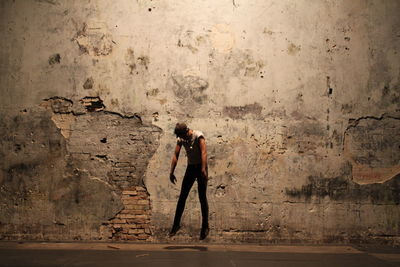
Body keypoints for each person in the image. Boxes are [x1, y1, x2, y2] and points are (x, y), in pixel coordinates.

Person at [169, 122, 209, 240]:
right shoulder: (181, 139)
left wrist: (203, 169)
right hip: (191, 168)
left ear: (187, 131)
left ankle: (205, 226)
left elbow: (204, 152)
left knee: (202, 197)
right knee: (182, 197)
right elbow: (176, 155)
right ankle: (176, 225)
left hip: (201, 167)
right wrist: (171, 172)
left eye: (183, 136)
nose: (182, 139)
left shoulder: (198, 135)